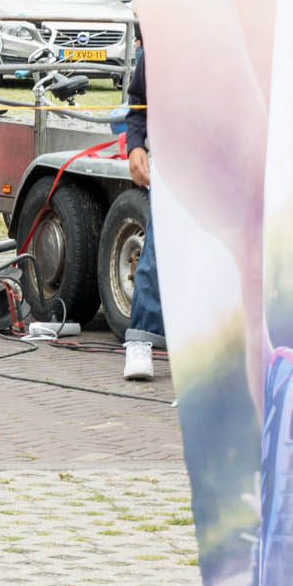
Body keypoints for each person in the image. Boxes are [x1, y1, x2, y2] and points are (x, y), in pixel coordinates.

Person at [123, 38, 165, 382]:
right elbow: (138, 99)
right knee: (159, 247)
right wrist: (135, 144)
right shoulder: (166, 36)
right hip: (175, 155)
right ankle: (141, 339)